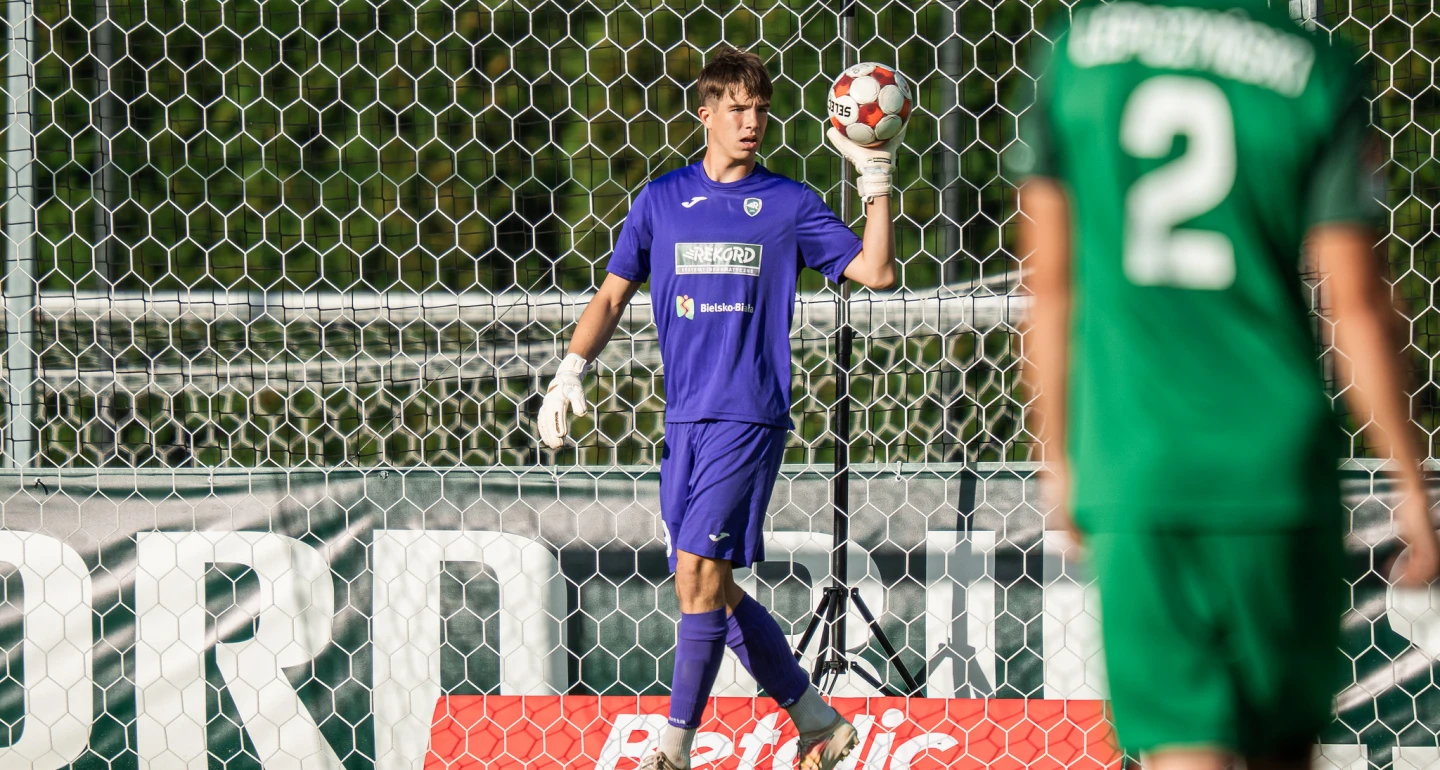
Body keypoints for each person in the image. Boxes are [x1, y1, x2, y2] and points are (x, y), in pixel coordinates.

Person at [1014, 1, 1440, 768]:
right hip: (1275, 473)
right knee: (1283, 749)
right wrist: (1410, 482)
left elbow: (1049, 287)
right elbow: (1357, 304)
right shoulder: (1315, 69)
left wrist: (1059, 460)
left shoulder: (1078, 58)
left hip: (1138, 463)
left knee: (1183, 751)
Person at [535, 46, 903, 770]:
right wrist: (570, 370)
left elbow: (878, 271)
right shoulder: (661, 200)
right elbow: (612, 294)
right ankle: (819, 722)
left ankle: (673, 751)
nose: (751, 121)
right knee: (709, 586)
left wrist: (877, 182)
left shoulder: (789, 204)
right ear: (704, 113)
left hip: (748, 415)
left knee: (700, 577)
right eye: (736, 108)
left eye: (760, 109)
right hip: (685, 422)